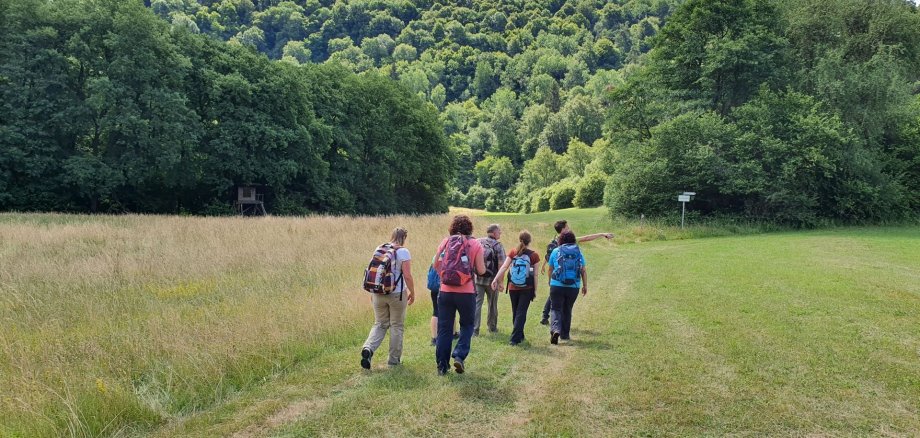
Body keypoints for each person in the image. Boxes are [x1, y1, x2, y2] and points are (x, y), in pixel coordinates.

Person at [433, 215, 486, 375]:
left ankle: (442, 366)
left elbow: (436, 264)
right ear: (469, 228)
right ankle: (459, 356)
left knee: (444, 329)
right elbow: (482, 270)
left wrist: (445, 277)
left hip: (445, 291)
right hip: (466, 292)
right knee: (467, 325)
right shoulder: (475, 244)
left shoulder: (446, 241)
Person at [361, 227, 415, 369]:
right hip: (396, 294)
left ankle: (368, 348)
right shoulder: (403, 251)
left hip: (378, 293)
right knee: (396, 325)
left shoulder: (379, 248)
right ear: (404, 237)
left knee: (379, 323)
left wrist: (373, 293)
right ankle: (393, 361)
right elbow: (407, 275)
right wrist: (412, 292)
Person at [539, 220, 612, 325]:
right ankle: (557, 324)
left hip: (556, 276)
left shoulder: (555, 240)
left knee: (554, 294)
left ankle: (545, 316)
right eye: (567, 227)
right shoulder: (570, 240)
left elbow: (549, 254)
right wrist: (602, 234)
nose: (569, 228)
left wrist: (544, 265)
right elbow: (587, 238)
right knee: (561, 301)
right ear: (563, 229)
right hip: (570, 277)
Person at [491, 230, 540, 346]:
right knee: (521, 312)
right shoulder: (534, 255)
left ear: (520, 240)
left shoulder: (513, 252)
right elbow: (535, 275)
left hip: (513, 286)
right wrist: (535, 290)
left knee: (516, 311)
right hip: (527, 288)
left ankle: (519, 335)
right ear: (529, 241)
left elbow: (504, 267)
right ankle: (515, 338)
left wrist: (495, 279)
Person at [546, 231, 586, 344]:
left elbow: (550, 268)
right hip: (573, 286)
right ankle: (565, 334)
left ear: (561, 240)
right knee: (567, 309)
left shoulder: (555, 251)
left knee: (555, 308)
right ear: (573, 239)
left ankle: (555, 329)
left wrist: (550, 281)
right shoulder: (578, 251)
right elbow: (583, 269)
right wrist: (585, 285)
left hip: (556, 285)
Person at [474, 224, 506, 336]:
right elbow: (502, 264)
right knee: (492, 304)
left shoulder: (478, 242)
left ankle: (475, 329)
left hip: (477, 279)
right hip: (493, 281)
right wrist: (501, 282)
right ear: (493, 232)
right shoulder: (498, 245)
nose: (500, 233)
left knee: (477, 304)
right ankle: (492, 327)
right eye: (499, 231)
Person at [427, 256, 459, 346]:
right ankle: (453, 333)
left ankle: (434, 338)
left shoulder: (436, 255)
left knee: (435, 312)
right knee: (451, 310)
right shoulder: (451, 255)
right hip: (445, 287)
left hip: (434, 288)